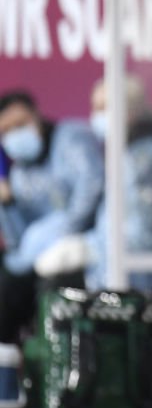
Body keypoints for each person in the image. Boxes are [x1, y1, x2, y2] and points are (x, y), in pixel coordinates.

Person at [32, 76, 152, 293]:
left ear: (129, 109)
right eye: (95, 107)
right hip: (115, 276)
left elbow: (148, 234)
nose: (96, 115)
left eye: (104, 107)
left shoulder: (148, 158)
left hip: (144, 283)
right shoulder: (127, 151)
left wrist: (89, 249)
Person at [0, 90, 104, 345]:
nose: (16, 134)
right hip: (40, 258)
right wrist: (9, 203)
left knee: (54, 283)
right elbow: (18, 243)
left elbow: (91, 187)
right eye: (7, 130)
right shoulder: (21, 174)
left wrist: (64, 230)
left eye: (21, 124)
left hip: (89, 245)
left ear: (36, 116)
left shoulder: (72, 139)